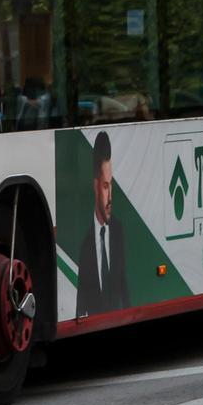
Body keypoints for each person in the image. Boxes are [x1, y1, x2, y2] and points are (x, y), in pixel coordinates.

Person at [77, 131, 130, 316]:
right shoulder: (84, 246)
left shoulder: (118, 231)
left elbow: (124, 289)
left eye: (111, 185)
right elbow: (80, 306)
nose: (110, 197)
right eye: (106, 187)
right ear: (95, 186)